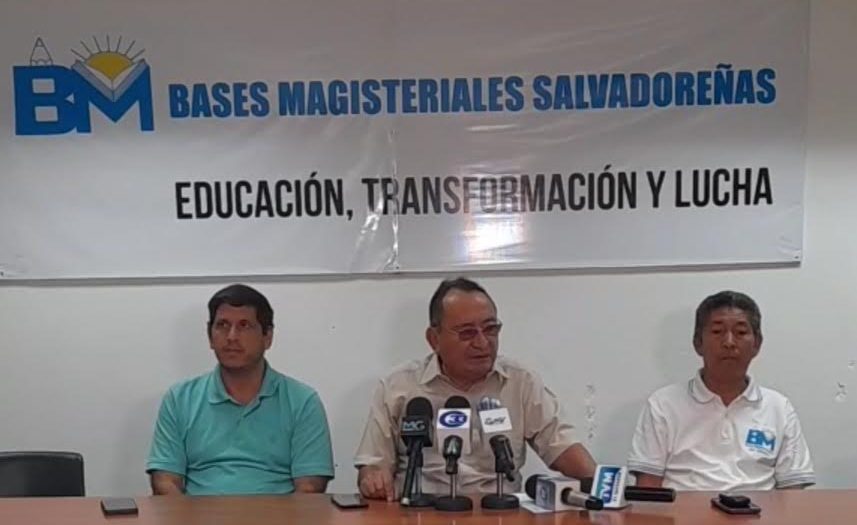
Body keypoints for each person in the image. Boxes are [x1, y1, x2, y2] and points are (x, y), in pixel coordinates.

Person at [354, 277, 596, 501]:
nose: (482, 342)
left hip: (499, 511)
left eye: (490, 329)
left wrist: (600, 486)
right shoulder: (398, 386)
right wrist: (373, 477)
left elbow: (563, 447)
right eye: (467, 333)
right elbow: (373, 465)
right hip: (421, 510)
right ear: (434, 339)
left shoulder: (520, 382)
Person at [146, 284, 334, 495]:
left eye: (244, 325)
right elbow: (165, 481)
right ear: (210, 336)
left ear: (267, 337)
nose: (232, 336)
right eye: (222, 325)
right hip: (198, 513)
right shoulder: (180, 399)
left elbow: (309, 488)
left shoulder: (302, 401)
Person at [627, 290, 815, 491]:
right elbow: (648, 490)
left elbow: (793, 490)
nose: (729, 342)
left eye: (741, 333)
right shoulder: (663, 404)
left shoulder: (778, 407)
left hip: (759, 510)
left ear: (757, 344)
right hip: (683, 509)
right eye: (717, 332)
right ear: (698, 343)